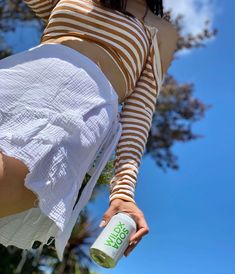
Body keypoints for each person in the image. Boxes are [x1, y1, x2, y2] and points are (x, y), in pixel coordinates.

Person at [0, 0, 178, 260]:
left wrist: (123, 191)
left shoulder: (160, 29)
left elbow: (139, 113)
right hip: (19, 76)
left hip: (79, 107)